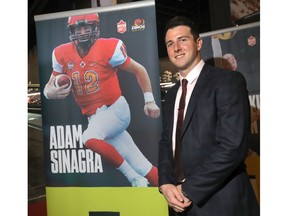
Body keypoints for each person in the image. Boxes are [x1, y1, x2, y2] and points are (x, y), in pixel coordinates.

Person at [43, 13, 160, 187]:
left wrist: (149, 100)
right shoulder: (61, 53)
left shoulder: (108, 47)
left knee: (89, 138)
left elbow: (139, 70)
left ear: (94, 28)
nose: (82, 32)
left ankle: (133, 178)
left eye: (86, 27)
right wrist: (49, 93)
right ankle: (168, 189)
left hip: (115, 110)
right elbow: (48, 86)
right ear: (72, 31)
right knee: (141, 165)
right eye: (78, 28)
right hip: (96, 118)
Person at [158, 16, 260, 215]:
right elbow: (165, 142)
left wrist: (189, 189)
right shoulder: (172, 94)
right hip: (179, 204)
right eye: (170, 43)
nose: (176, 47)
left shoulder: (227, 81)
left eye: (182, 40)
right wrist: (165, 183)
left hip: (221, 202)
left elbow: (233, 147)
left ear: (198, 43)